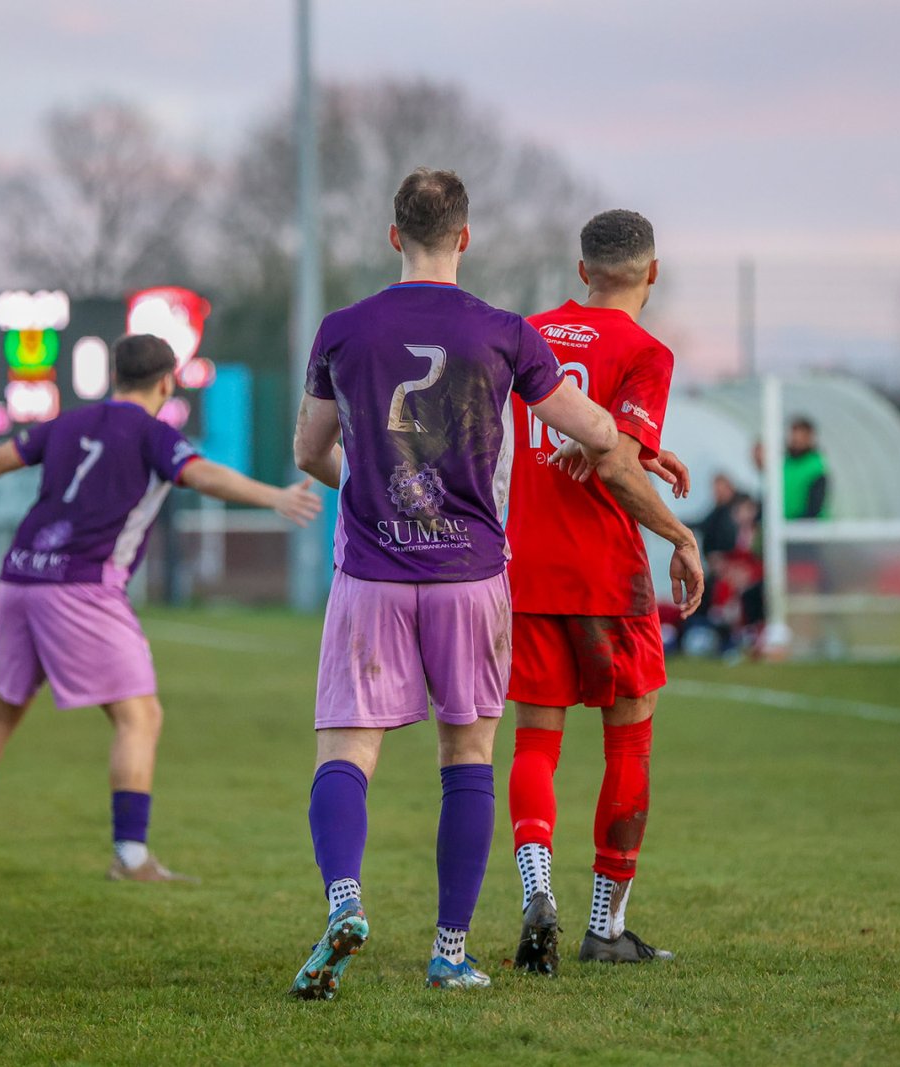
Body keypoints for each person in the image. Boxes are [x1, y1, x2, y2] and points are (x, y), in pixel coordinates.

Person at [287, 167, 619, 999]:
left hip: (371, 570)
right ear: (465, 237)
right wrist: (603, 439)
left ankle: (344, 899)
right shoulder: (506, 332)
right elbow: (592, 427)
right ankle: (449, 952)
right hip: (470, 574)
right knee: (466, 756)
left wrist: (369, 483)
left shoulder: (341, 329)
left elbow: (309, 449)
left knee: (347, 749)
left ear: (393, 236)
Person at [0, 334, 321, 880]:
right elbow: (200, 474)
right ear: (166, 383)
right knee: (140, 717)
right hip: (81, 585)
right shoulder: (155, 434)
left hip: (21, 573)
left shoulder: (67, 423)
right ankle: (131, 857)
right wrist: (274, 496)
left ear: (114, 376)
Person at [503, 208, 704, 972]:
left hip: (527, 567)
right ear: (652, 273)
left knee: (535, 741)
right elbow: (611, 460)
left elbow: (593, 445)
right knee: (629, 740)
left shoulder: (527, 333)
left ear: (582, 270)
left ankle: (537, 890)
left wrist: (640, 452)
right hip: (607, 577)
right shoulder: (646, 350)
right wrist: (680, 535)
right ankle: (604, 925)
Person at [783, 416, 829, 520]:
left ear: (809, 438)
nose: (796, 440)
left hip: (807, 527)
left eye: (801, 436)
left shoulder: (816, 466)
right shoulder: (784, 463)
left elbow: (815, 506)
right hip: (785, 525)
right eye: (794, 435)